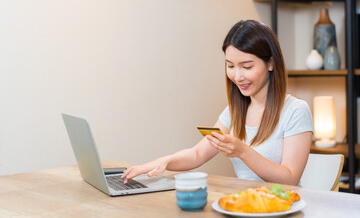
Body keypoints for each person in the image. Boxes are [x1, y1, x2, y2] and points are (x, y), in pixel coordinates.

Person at [122, 19, 313, 186]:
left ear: (270, 63)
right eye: (230, 66)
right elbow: (198, 154)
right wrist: (162, 162)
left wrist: (243, 151)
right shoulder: (235, 111)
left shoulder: (295, 111)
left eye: (247, 66)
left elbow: (290, 178)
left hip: (284, 207)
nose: (237, 76)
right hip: (247, 206)